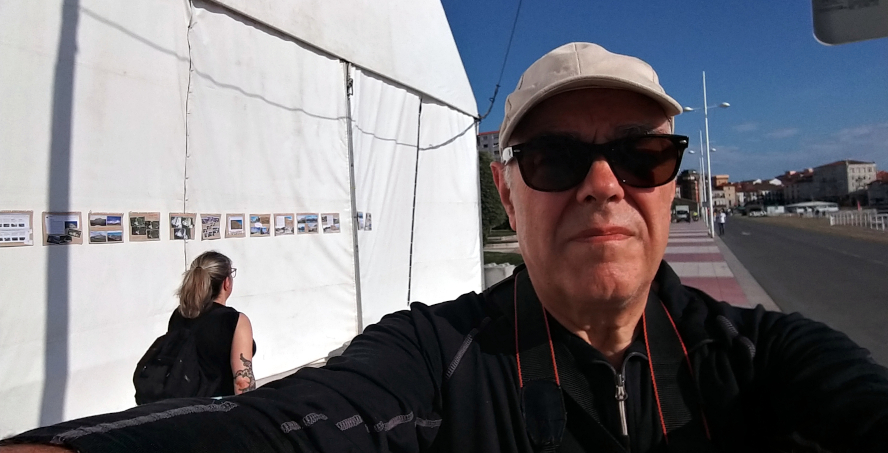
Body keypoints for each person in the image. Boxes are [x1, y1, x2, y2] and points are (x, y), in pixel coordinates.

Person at [3, 43, 888, 453]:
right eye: (554, 159)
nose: (603, 185)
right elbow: (282, 425)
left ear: (671, 183)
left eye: (640, 155)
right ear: (508, 190)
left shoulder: (758, 357)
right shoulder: (437, 359)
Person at [160, 251, 257, 399]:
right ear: (226, 282)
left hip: (182, 404)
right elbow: (242, 382)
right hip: (218, 406)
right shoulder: (235, 320)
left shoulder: (180, 314)